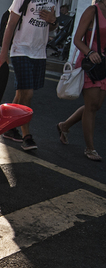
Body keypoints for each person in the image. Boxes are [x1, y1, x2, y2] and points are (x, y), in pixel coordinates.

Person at [0, 0, 59, 151]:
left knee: (21, 94)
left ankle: (9, 127)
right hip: (21, 50)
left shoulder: (54, 0)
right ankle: (27, 136)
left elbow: (52, 26)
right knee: (27, 93)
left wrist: (53, 20)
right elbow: (10, 24)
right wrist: (4, 52)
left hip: (39, 52)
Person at [57, 0, 106, 161]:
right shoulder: (92, 11)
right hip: (89, 63)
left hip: (103, 65)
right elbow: (77, 39)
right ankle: (90, 149)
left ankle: (64, 126)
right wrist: (90, 52)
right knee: (91, 106)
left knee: (96, 105)